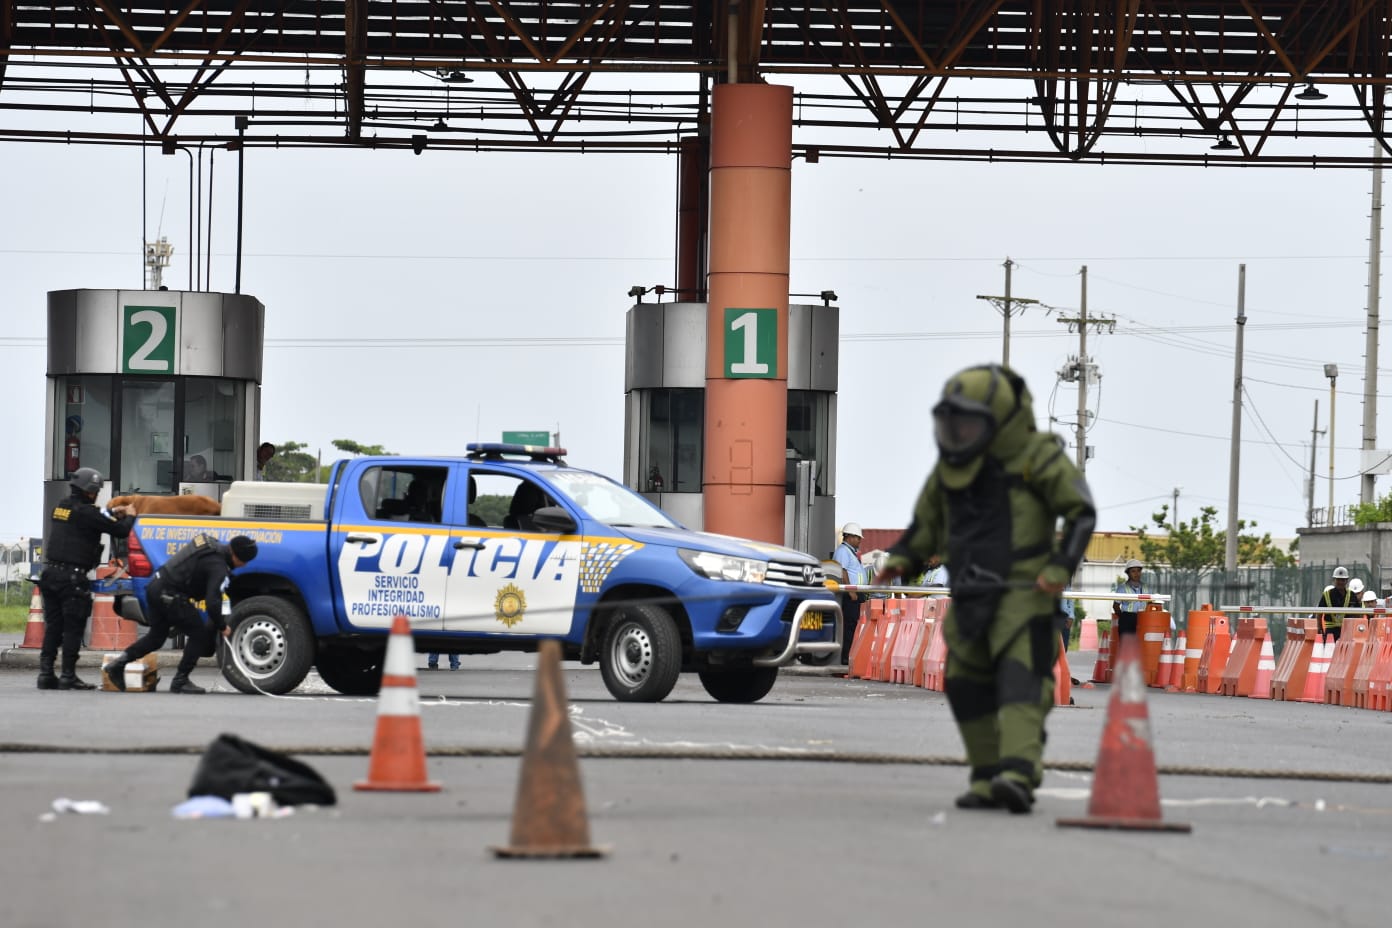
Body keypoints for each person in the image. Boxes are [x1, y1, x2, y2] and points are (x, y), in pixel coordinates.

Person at [873, 364, 1095, 814]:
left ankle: (1018, 771)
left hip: (1025, 595)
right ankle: (986, 773)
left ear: (1001, 422)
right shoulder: (951, 471)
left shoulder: (1039, 457)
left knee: (1020, 682)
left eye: (969, 423)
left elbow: (1080, 512)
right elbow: (926, 527)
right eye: (952, 423)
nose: (958, 433)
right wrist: (901, 559)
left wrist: (1060, 566)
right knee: (965, 684)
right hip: (972, 596)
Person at [104, 534, 259, 694]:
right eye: (244, 561)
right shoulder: (218, 566)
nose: (244, 565)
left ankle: (117, 665)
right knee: (199, 634)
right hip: (171, 596)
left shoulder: (212, 546)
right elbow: (212, 602)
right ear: (237, 556)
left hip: (156, 587)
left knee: (156, 637)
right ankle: (180, 680)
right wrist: (222, 626)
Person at [37, 467, 136, 690]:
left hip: (50, 574)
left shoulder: (60, 507)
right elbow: (120, 531)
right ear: (91, 491)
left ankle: (45, 674)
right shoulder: (88, 513)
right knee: (73, 628)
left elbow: (91, 517)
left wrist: (111, 512)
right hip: (72, 579)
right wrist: (129, 515)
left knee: (54, 627)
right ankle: (68, 675)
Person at [833, 522, 867, 663]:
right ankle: (845, 657)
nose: (860, 541)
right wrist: (851, 591)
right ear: (850, 537)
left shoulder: (850, 552)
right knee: (849, 625)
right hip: (851, 595)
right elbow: (842, 571)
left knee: (853, 625)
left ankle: (849, 655)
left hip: (856, 594)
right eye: (858, 538)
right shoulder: (842, 551)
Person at [1315, 566, 1357, 641]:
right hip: (1330, 631)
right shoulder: (1327, 594)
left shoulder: (1352, 595)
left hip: (1347, 630)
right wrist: (1319, 628)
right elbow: (1319, 613)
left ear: (1347, 581)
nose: (1340, 582)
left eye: (1343, 580)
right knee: (1330, 651)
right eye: (1338, 580)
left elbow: (1358, 614)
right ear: (1334, 580)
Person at [1111, 559, 1146, 636]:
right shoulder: (1122, 588)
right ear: (1128, 573)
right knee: (1126, 644)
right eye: (1133, 571)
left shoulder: (1145, 587)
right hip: (1127, 619)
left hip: (1143, 618)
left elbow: (1150, 603)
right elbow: (1115, 606)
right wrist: (1124, 618)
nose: (1136, 574)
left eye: (1138, 571)